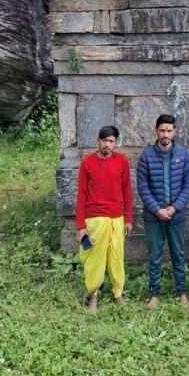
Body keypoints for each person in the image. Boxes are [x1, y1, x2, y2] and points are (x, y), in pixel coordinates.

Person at [136, 114, 189, 310]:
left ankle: (182, 294)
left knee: (178, 254)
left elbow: (188, 186)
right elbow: (143, 188)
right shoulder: (146, 156)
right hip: (154, 217)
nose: (165, 134)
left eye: (169, 130)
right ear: (156, 131)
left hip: (176, 216)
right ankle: (154, 295)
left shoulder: (183, 155)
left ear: (174, 132)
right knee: (155, 256)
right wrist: (157, 209)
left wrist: (174, 208)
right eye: (162, 130)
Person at [75, 124, 133, 314]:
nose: (107, 145)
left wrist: (128, 219)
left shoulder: (122, 161)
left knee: (117, 258)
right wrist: (80, 226)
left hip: (116, 218)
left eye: (111, 141)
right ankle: (92, 296)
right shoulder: (87, 163)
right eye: (104, 141)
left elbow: (127, 191)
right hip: (95, 220)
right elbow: (81, 195)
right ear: (97, 141)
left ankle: (118, 294)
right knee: (93, 260)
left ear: (115, 143)